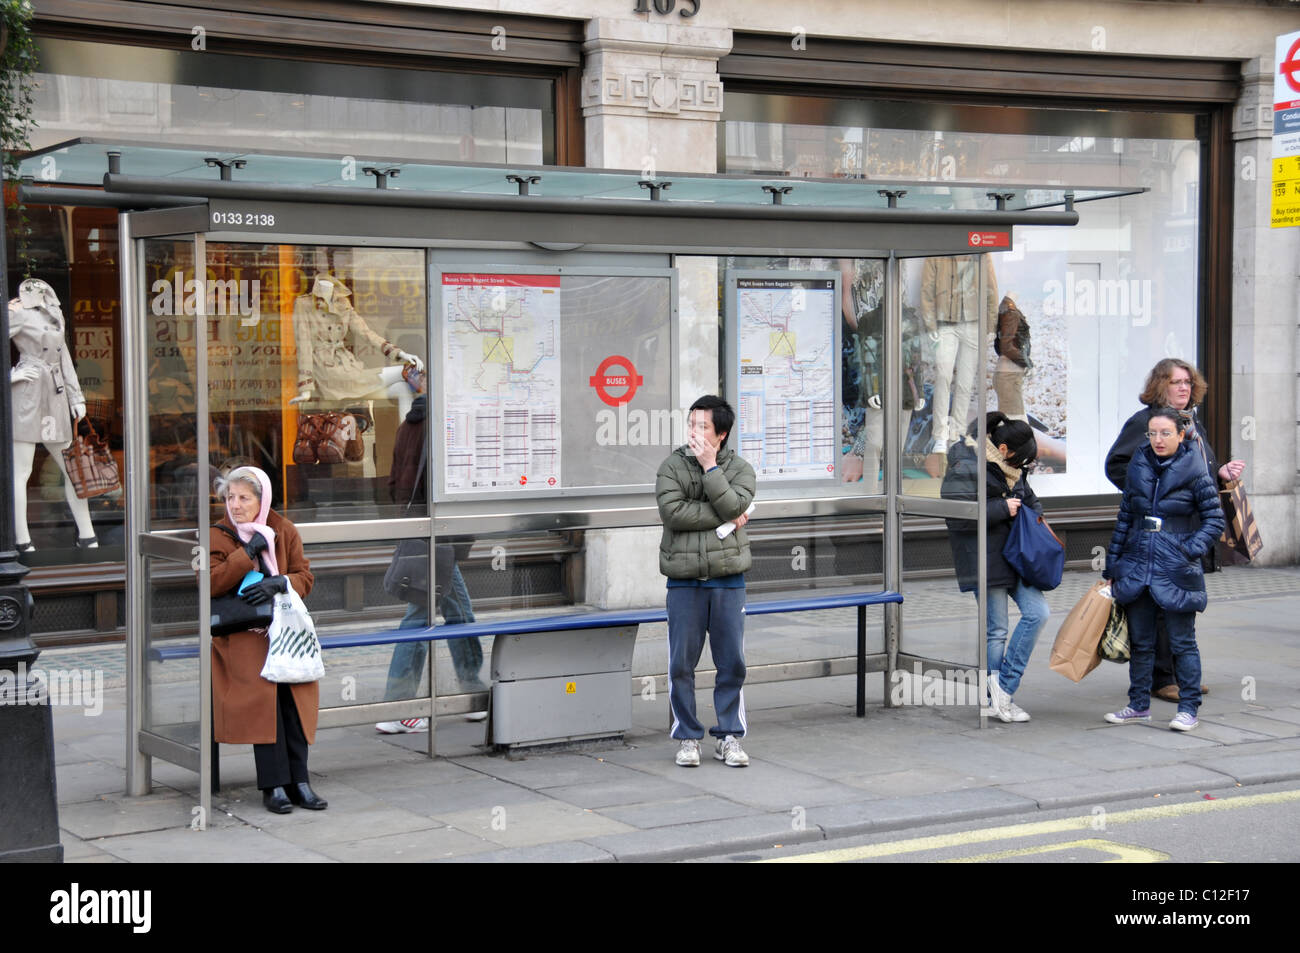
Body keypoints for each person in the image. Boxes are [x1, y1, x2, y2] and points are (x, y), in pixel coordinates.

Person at [1104, 358, 1243, 701]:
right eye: (1176, 382)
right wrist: (1150, 494)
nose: (1184, 388)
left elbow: (1192, 475)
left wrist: (1220, 473)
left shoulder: (1191, 423)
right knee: (1161, 605)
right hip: (1159, 534)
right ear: (1160, 386)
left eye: (1188, 382)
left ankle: (1179, 674)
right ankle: (1162, 678)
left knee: (1178, 604)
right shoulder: (1146, 423)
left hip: (1188, 531)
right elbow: (1117, 465)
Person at [209, 466, 326, 814]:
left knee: (292, 700)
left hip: (285, 630)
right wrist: (248, 553)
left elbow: (305, 576)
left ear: (262, 499)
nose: (236, 505)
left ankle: (299, 781)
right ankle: (273, 785)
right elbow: (212, 581)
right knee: (266, 703)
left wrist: (280, 583)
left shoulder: (283, 529)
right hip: (243, 635)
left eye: (244, 498)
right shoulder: (219, 535)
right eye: (230, 498)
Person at [1102, 407, 1224, 731]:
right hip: (1138, 562)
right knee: (1141, 642)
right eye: (1153, 433)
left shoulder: (1195, 469)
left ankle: (1188, 709)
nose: (1158, 439)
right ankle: (1138, 705)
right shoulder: (1138, 465)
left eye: (1165, 433)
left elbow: (1215, 521)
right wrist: (1113, 564)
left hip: (1175, 566)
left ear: (1181, 435)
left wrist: (1188, 549)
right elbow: (1125, 517)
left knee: (1182, 642)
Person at [375, 392, 486, 734]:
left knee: (458, 611)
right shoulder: (444, 425)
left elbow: (394, 482)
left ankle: (471, 690)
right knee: (421, 615)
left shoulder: (408, 426)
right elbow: (455, 486)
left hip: (425, 534)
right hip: (437, 537)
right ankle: (400, 704)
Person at [656, 395, 756, 767]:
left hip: (728, 579)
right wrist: (723, 514)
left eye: (703, 427)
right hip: (683, 581)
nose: (694, 433)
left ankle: (729, 735)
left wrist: (711, 469)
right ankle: (687, 736)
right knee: (681, 663)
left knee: (732, 662)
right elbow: (673, 512)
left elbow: (735, 506)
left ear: (721, 434)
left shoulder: (741, 469)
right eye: (692, 424)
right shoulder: (671, 466)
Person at [941, 411, 1049, 723]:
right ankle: (995, 699)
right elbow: (957, 514)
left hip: (1016, 555)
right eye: (1021, 461)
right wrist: (1002, 508)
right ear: (1003, 450)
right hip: (984, 556)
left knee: (1037, 613)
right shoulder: (965, 462)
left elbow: (1030, 499)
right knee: (997, 630)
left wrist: (1035, 517)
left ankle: (1002, 689)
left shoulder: (1012, 469)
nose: (1022, 468)